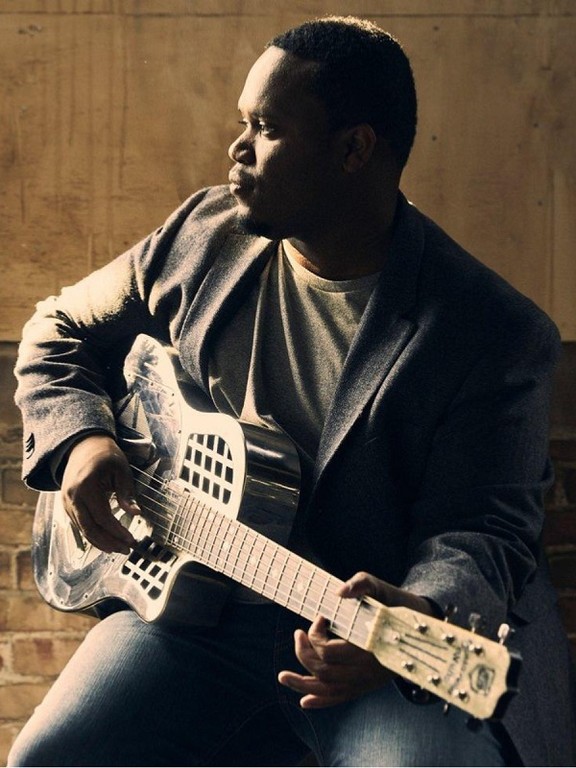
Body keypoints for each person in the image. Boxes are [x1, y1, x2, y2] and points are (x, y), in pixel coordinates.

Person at [8, 15, 576, 768]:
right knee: (47, 758)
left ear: (353, 150)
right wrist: (83, 438)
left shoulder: (492, 331)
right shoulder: (206, 230)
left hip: (364, 647)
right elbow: (61, 325)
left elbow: (482, 529)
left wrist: (415, 616)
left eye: (267, 128)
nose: (237, 148)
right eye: (243, 122)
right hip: (198, 612)